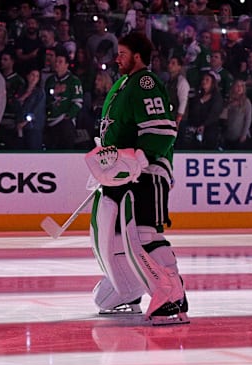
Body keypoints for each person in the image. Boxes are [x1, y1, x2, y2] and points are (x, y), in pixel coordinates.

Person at [84, 31, 188, 326]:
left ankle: (172, 297)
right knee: (111, 234)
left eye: (122, 53)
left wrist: (142, 156)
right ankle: (127, 289)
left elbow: (163, 131)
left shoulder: (145, 82)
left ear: (138, 57)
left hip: (146, 174)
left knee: (143, 236)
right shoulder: (123, 84)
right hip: (121, 175)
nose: (117, 58)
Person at [43, 47, 83, 149]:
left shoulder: (74, 81)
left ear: (67, 65)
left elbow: (78, 103)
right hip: (50, 121)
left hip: (64, 122)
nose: (57, 64)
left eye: (60, 62)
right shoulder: (50, 80)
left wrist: (68, 116)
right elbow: (46, 99)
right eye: (56, 61)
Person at [15, 69, 46, 150]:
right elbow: (16, 105)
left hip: (33, 127)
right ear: (28, 76)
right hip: (20, 125)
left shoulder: (40, 92)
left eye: (37, 76)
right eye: (32, 75)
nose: (34, 78)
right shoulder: (21, 90)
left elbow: (37, 110)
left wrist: (26, 121)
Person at [220, 79, 252, 150]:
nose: (239, 88)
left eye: (241, 86)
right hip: (228, 135)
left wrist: (244, 135)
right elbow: (223, 118)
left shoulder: (246, 102)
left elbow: (248, 119)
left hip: (240, 136)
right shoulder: (228, 101)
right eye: (237, 85)